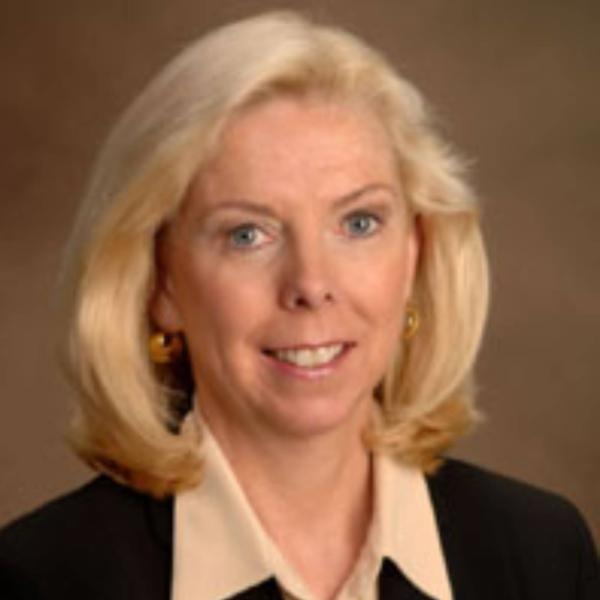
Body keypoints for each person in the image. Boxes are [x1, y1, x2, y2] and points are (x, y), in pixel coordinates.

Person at [0, 10, 597, 600]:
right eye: (247, 235)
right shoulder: (41, 580)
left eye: (358, 223)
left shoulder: (542, 554)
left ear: (414, 256)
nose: (311, 283)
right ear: (160, 285)